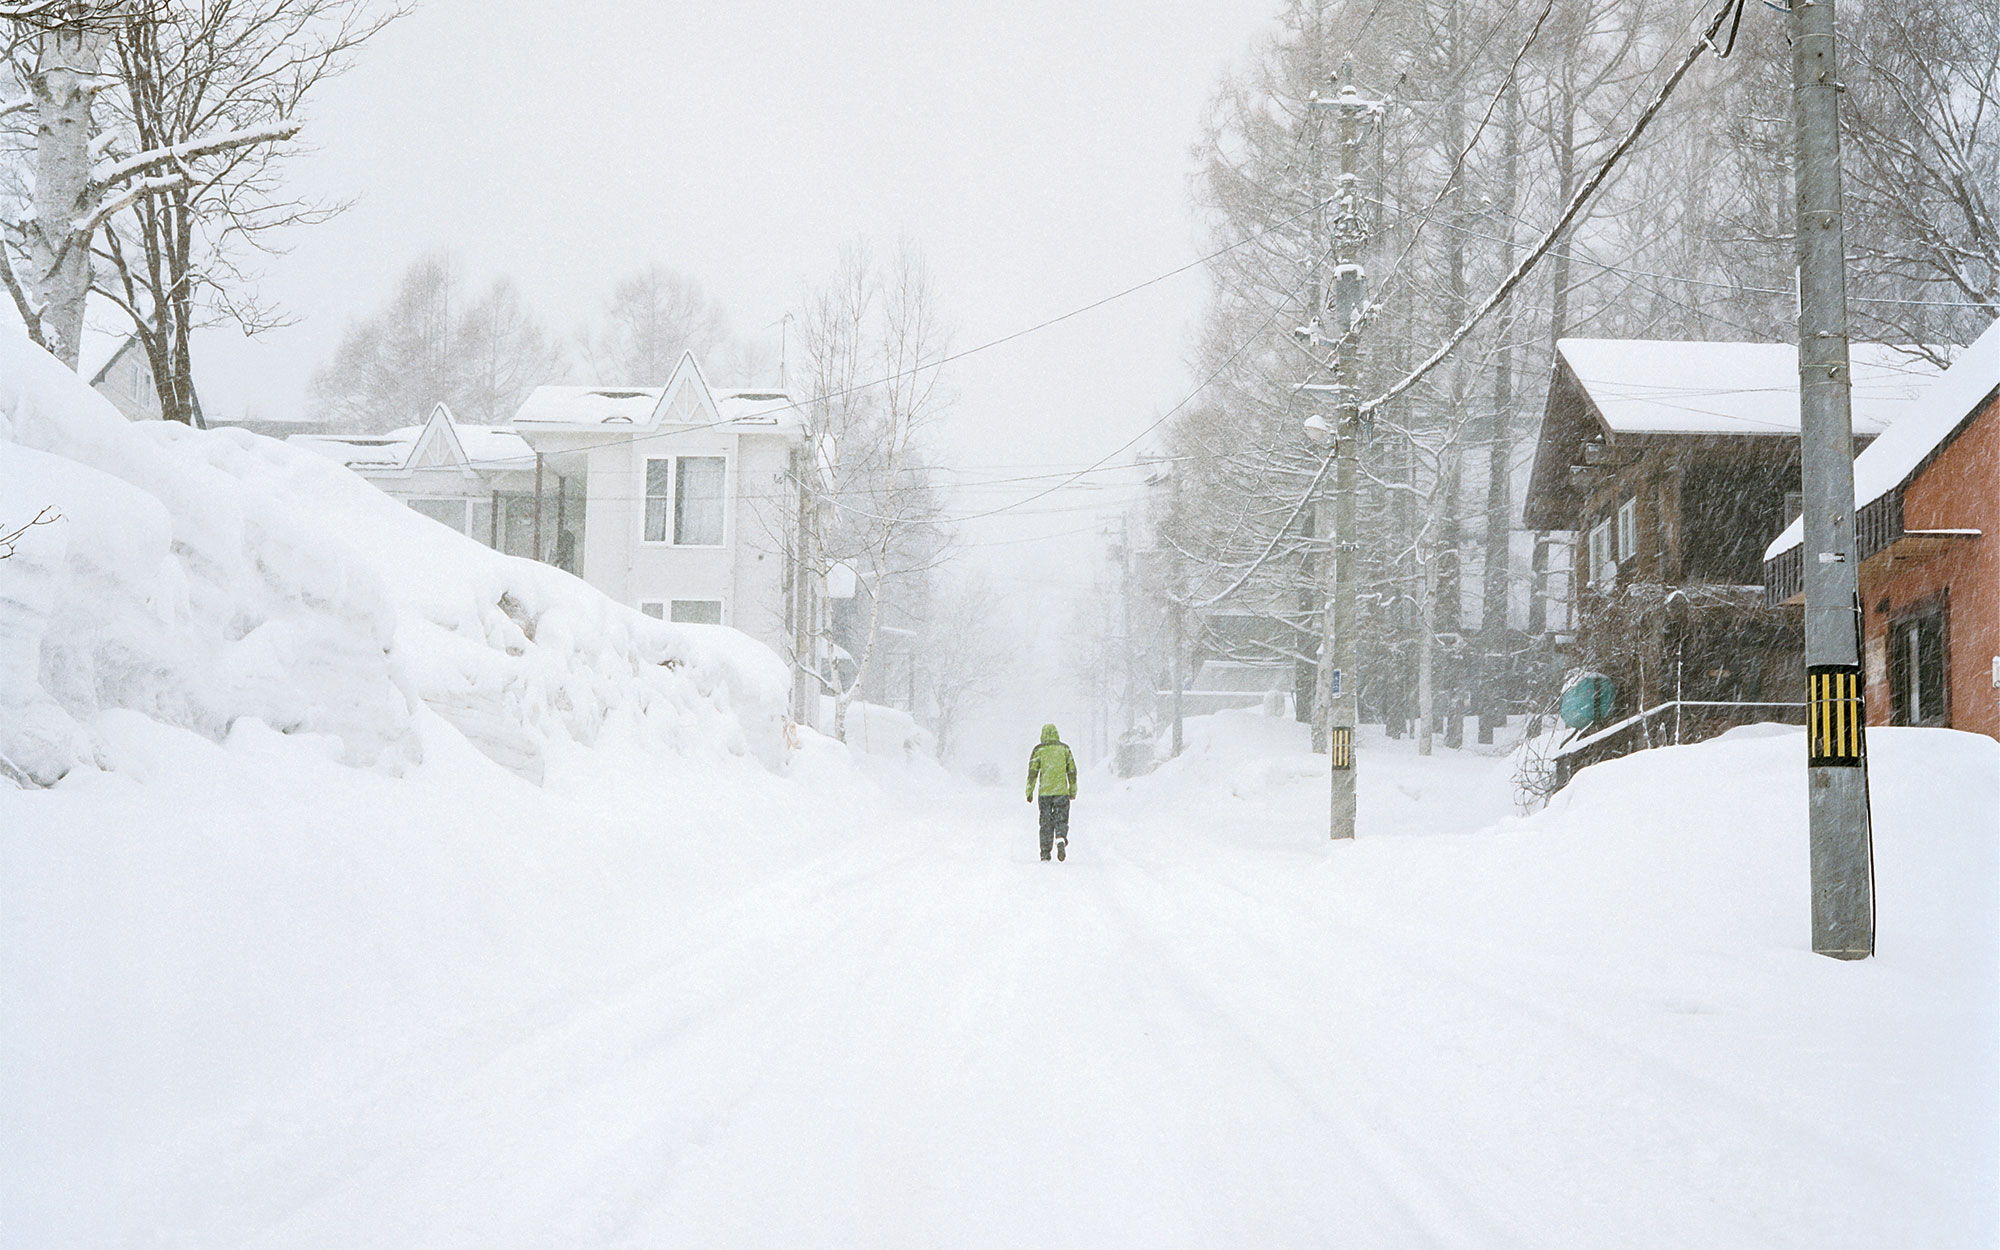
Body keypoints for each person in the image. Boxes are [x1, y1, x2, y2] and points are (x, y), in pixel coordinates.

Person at [1024, 723, 1077, 861]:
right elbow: (1072, 771)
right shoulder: (1065, 749)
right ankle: (1060, 837)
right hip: (1061, 792)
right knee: (1061, 818)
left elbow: (1032, 773)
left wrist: (1029, 791)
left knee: (1045, 822)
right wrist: (1073, 789)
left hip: (1045, 793)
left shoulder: (1039, 750)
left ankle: (1045, 853)